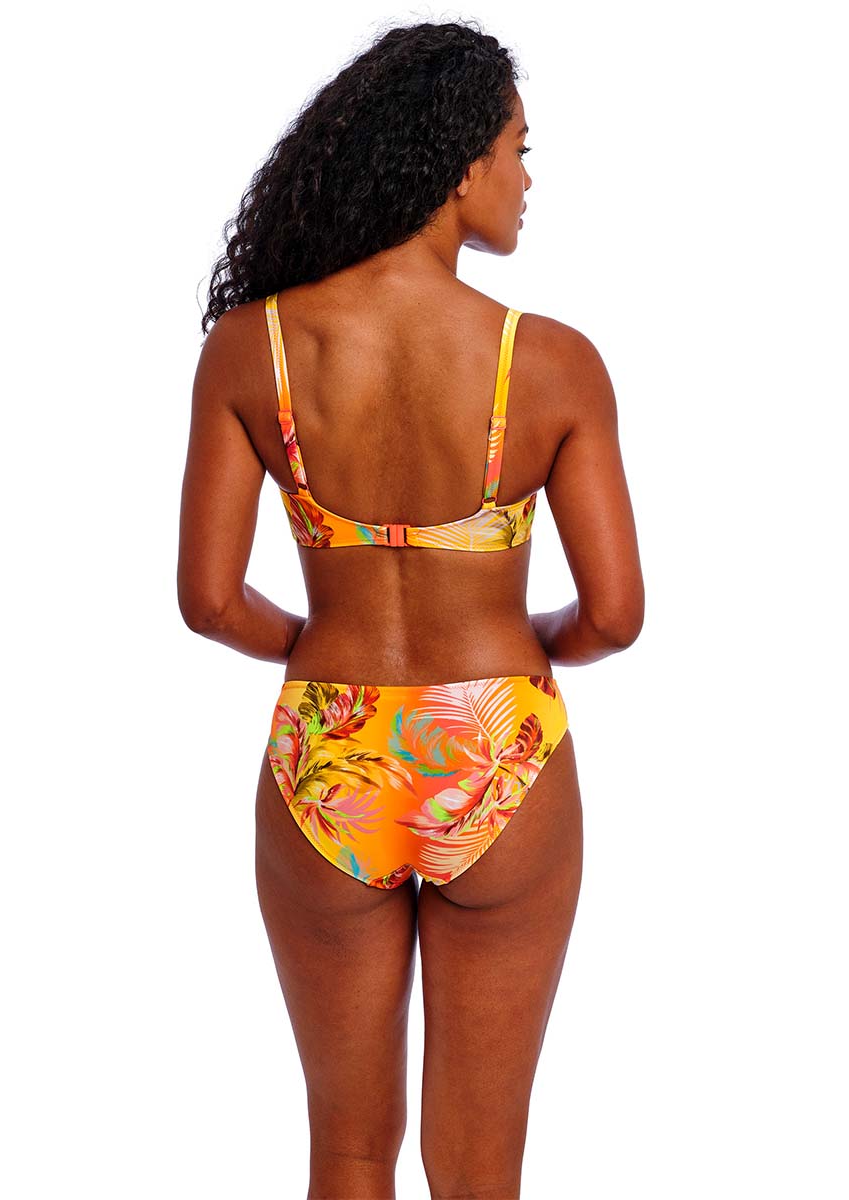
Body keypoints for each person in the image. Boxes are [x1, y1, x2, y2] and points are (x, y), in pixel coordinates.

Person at [178, 19, 643, 1200]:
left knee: (345, 1152)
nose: (527, 179)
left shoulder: (252, 349)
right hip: (496, 751)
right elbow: (615, 614)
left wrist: (310, 646)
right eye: (519, 150)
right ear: (458, 163)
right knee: (479, 1167)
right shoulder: (549, 364)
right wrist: (534, 644)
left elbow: (207, 598)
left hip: (327, 751)